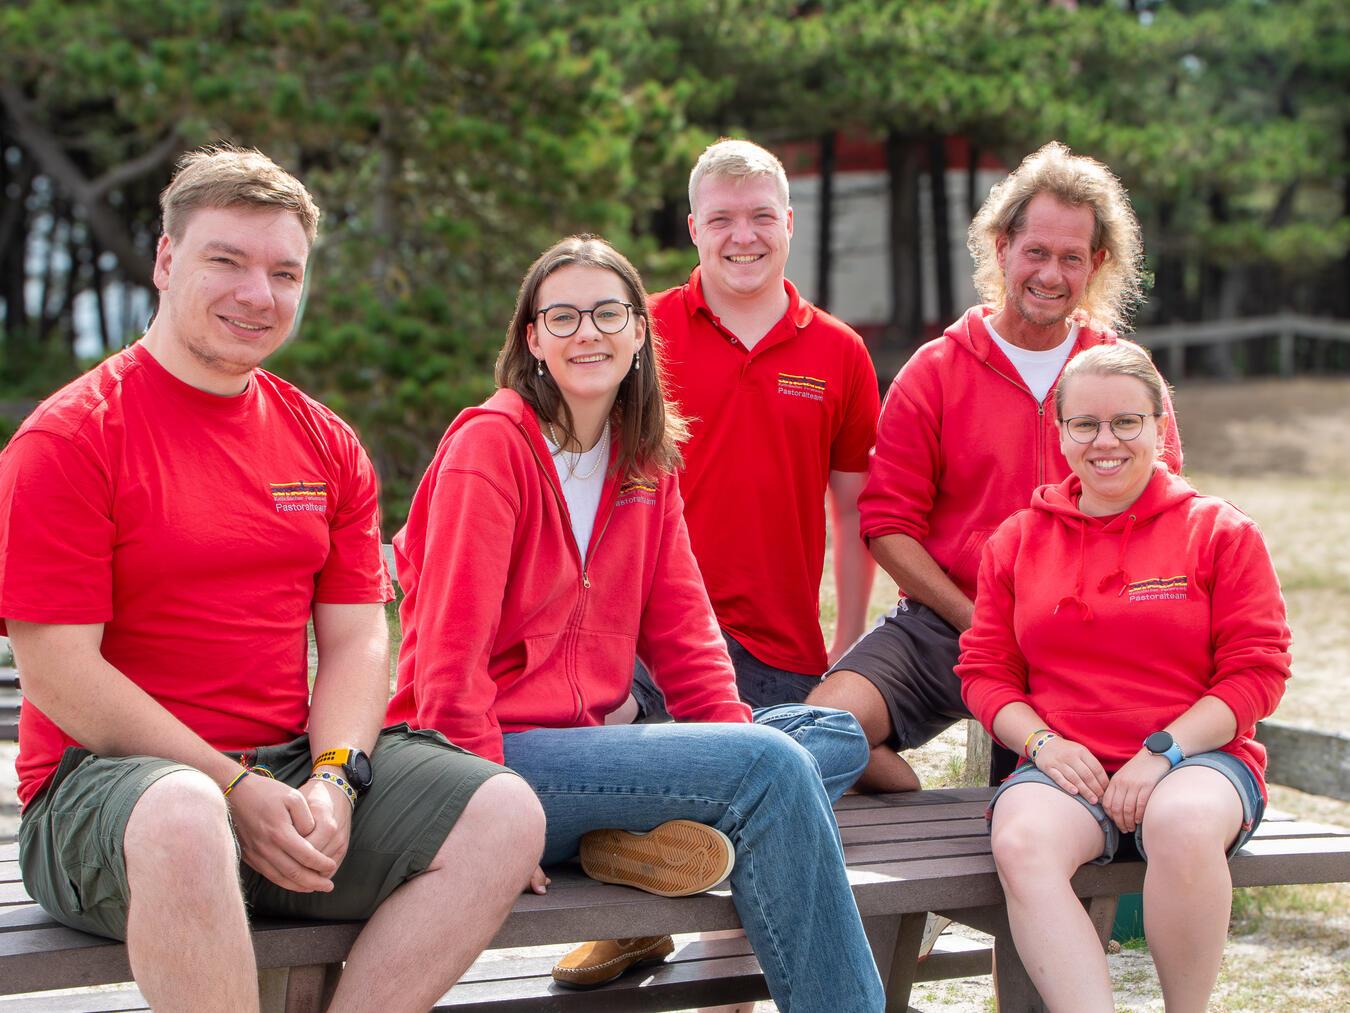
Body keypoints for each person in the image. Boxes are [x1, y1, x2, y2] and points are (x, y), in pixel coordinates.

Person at [0, 145, 544, 1013]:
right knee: (184, 811)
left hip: (281, 772)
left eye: (284, 272)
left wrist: (333, 776)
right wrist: (230, 786)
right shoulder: (69, 440)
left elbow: (360, 635)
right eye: (227, 260)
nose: (259, 293)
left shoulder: (324, 442)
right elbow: (61, 674)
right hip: (103, 793)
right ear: (166, 261)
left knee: (506, 814)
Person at [386, 235, 885, 1011]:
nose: (588, 331)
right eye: (564, 315)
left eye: (608, 312)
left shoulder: (644, 463)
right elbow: (448, 662)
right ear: (533, 340)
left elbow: (688, 639)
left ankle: (626, 844)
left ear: (639, 333)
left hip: (585, 757)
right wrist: (485, 820)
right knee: (774, 768)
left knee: (831, 736)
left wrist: (729, 745)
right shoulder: (490, 450)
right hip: (483, 769)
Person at [808, 141, 1183, 792]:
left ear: (1096, 264)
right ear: (1003, 246)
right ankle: (909, 800)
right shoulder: (936, 370)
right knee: (818, 730)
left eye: (1071, 258)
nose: (1050, 273)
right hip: (950, 620)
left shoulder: (1124, 374)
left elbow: (1163, 513)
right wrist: (978, 619)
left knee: (1055, 797)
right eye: (1036, 251)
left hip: (1085, 635)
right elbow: (888, 525)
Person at [956, 343, 1290, 1013]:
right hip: (1068, 766)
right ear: (1061, 434)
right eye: (1085, 423)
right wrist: (1046, 745)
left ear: (1161, 426)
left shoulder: (1220, 531)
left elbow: (1258, 673)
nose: (1105, 440)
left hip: (1197, 760)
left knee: (1182, 822)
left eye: (1126, 422)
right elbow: (986, 675)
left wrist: (1162, 750)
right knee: (1021, 838)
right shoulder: (1017, 540)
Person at [627, 137, 880, 720]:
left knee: (836, 770)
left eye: (762, 216)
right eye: (722, 219)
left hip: (783, 651)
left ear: (789, 222)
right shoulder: (640, 330)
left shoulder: (841, 352)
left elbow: (852, 510)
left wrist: (848, 643)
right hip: (649, 643)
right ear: (694, 228)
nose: (744, 236)